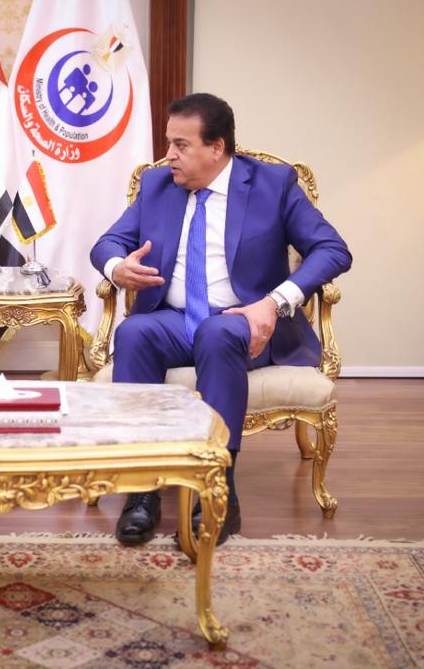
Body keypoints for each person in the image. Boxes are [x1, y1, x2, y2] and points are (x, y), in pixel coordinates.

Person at [90, 92, 351, 546]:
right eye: (168, 143)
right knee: (134, 332)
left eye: (181, 144)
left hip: (244, 323)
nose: (169, 155)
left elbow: (333, 249)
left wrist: (274, 302)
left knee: (217, 332)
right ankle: (143, 491)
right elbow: (107, 243)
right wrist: (118, 267)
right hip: (173, 321)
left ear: (217, 147)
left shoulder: (272, 184)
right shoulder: (157, 185)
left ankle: (218, 495)